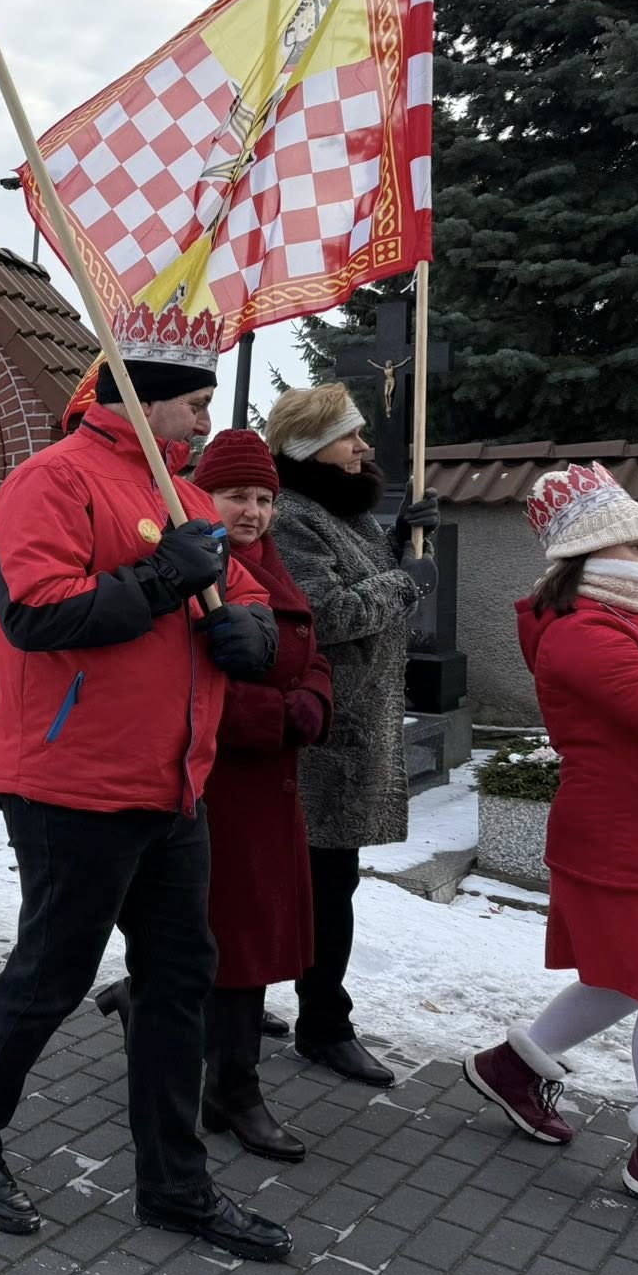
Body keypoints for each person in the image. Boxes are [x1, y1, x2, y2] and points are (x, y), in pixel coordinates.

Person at [0, 323, 289, 1264]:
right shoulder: (50, 479)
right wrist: (164, 576)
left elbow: (244, 586)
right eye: (197, 400)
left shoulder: (182, 489)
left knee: (180, 980)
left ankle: (174, 1185)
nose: (209, 418)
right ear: (145, 397)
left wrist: (252, 632)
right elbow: (37, 614)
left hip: (174, 783)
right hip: (71, 782)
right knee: (51, 973)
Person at [464, 465, 638, 1221]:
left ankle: (513, 1067)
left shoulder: (636, 623)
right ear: (596, 553)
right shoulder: (578, 635)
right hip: (624, 832)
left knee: (629, 975)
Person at [266, 384, 438, 1087]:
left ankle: (264, 1002)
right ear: (310, 446)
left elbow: (358, 575)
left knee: (324, 886)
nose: (365, 448)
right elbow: (324, 614)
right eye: (350, 437)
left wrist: (397, 539)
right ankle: (322, 1023)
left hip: (353, 729)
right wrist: (406, 581)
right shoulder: (291, 517)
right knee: (318, 888)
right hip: (320, 742)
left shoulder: (343, 510)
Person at [186, 430, 328, 1161]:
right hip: (221, 789)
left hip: (274, 786)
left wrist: (315, 700)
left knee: (247, 939)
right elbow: (191, 683)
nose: (253, 511)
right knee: (236, 944)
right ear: (203, 496)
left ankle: (179, 1038)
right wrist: (279, 716)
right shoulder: (195, 568)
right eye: (237, 495)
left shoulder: (274, 566)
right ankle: (233, 1091)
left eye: (265, 498)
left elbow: (314, 652)